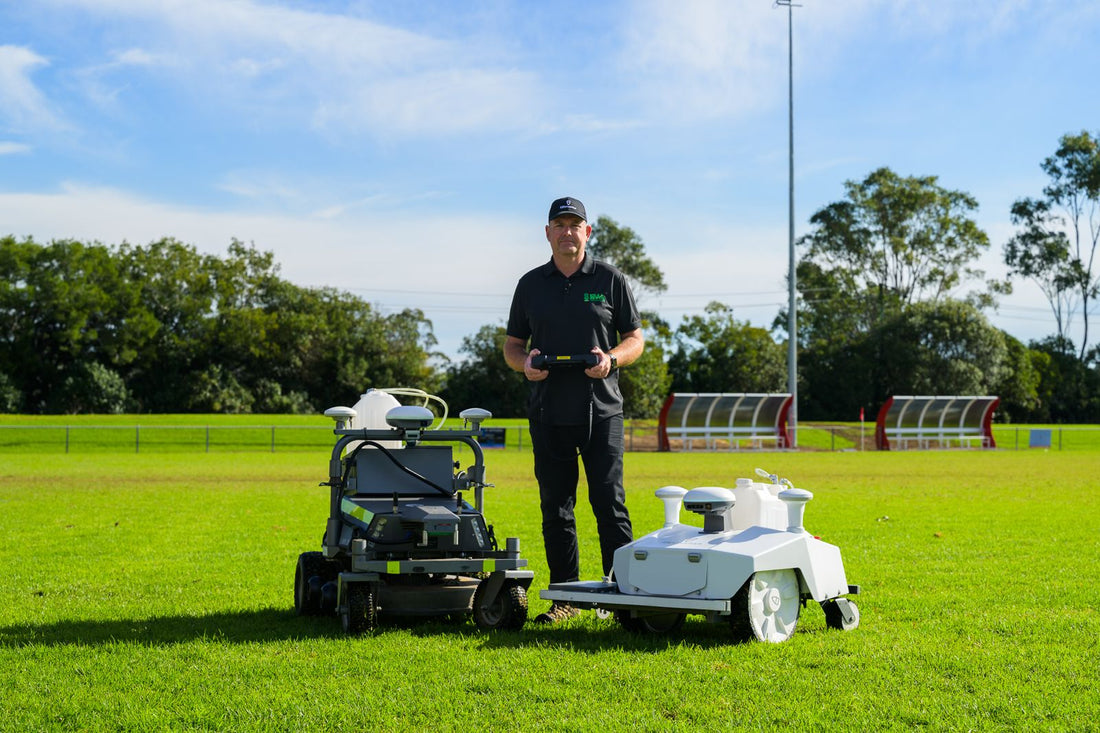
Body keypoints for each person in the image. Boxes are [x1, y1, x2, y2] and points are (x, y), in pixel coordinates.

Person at [503, 196, 645, 624]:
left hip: (602, 412)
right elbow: (513, 346)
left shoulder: (610, 279)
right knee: (556, 508)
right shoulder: (530, 284)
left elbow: (635, 339)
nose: (567, 232)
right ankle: (565, 598)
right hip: (548, 413)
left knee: (610, 505)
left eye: (575, 225)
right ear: (547, 233)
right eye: (559, 225)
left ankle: (624, 598)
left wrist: (612, 359)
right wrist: (525, 364)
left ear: (588, 232)